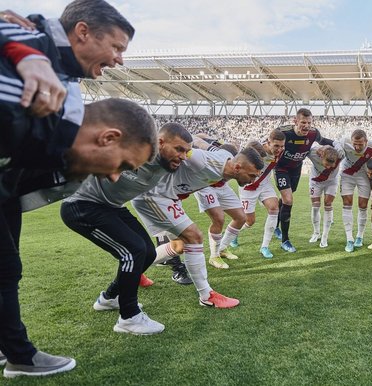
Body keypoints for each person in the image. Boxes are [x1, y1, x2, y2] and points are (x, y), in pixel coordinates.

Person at [1, 0, 140, 378]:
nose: (119, 60)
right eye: (117, 47)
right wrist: (23, 47)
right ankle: (19, 355)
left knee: (7, 269)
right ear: (82, 32)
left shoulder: (63, 73)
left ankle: (10, 347)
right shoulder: (32, 43)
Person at [60, 123, 193, 335]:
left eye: (187, 151)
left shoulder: (168, 166)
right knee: (134, 250)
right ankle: (129, 317)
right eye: (179, 149)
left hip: (112, 207)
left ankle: (109, 298)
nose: (184, 156)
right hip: (82, 206)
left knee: (148, 252)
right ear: (159, 143)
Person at [131, 147, 263, 309]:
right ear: (237, 168)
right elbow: (173, 145)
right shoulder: (202, 161)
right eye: (251, 176)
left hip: (169, 198)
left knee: (179, 246)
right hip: (152, 195)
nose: (252, 180)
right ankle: (206, 295)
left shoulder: (227, 160)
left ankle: (133, 271)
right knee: (193, 237)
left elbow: (202, 142)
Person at [273, 108, 333, 253]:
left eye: (309, 122)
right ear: (295, 121)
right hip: (281, 168)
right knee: (288, 200)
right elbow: (270, 143)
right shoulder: (284, 132)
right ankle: (285, 240)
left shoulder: (313, 133)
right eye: (303, 122)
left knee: (285, 198)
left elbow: (324, 141)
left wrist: (336, 144)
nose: (306, 126)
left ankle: (275, 225)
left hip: (296, 169)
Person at [238, 131, 286, 258]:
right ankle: (234, 233)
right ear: (268, 142)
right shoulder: (256, 151)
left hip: (264, 184)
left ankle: (265, 246)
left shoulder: (280, 152)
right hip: (249, 186)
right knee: (249, 221)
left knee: (274, 208)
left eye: (282, 146)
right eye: (276, 146)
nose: (280, 149)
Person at [307, 144, 343, 248]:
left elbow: (338, 142)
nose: (328, 167)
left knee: (328, 203)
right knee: (315, 206)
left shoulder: (340, 153)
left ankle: (324, 236)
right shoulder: (313, 152)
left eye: (331, 166)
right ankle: (316, 232)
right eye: (326, 164)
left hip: (332, 181)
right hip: (315, 181)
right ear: (321, 156)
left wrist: (328, 145)